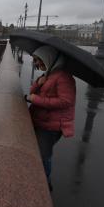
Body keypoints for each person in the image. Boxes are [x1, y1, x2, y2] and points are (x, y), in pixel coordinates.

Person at [25, 45, 76, 191]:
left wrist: (36, 100)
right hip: (42, 120)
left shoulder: (64, 77)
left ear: (48, 58)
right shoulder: (49, 73)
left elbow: (66, 102)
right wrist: (38, 83)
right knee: (40, 152)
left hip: (52, 125)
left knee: (43, 154)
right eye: (35, 61)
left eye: (39, 60)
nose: (36, 64)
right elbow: (32, 92)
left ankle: (44, 186)